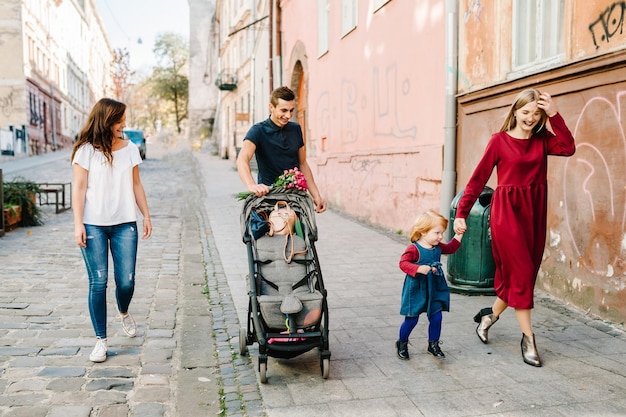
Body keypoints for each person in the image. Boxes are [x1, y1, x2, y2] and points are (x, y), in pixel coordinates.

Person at [453, 88, 575, 367]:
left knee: (521, 277)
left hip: (533, 212)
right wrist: (461, 213)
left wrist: (555, 115)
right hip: (506, 214)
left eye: (536, 113)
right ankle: (528, 338)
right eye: (525, 112)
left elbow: (568, 147)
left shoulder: (543, 140)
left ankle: (488, 318)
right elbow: (476, 180)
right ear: (515, 111)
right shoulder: (499, 141)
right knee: (520, 272)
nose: (530, 118)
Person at [71, 98, 152, 363]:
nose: (124, 124)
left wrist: (146, 216)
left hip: (125, 223)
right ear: (106, 121)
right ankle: (101, 341)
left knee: (126, 281)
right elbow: (79, 189)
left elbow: (136, 185)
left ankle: (123, 309)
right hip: (93, 224)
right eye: (119, 120)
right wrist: (78, 223)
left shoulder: (130, 149)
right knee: (98, 282)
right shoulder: (85, 150)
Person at [236, 86, 327, 213]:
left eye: (291, 110)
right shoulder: (258, 131)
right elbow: (242, 159)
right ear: (271, 107)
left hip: (296, 198)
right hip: (269, 198)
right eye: (283, 110)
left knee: (306, 232)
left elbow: (303, 164)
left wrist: (316, 195)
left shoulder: (296, 129)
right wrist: (251, 185)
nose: (288, 115)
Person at [396, 210, 464, 360]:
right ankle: (402, 342)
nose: (440, 237)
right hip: (416, 289)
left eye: (442, 233)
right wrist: (418, 268)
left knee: (436, 318)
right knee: (411, 319)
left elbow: (452, 247)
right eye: (437, 233)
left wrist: (459, 234)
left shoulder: (437, 246)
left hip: (434, 287)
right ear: (424, 232)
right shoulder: (414, 249)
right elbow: (403, 263)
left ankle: (433, 344)